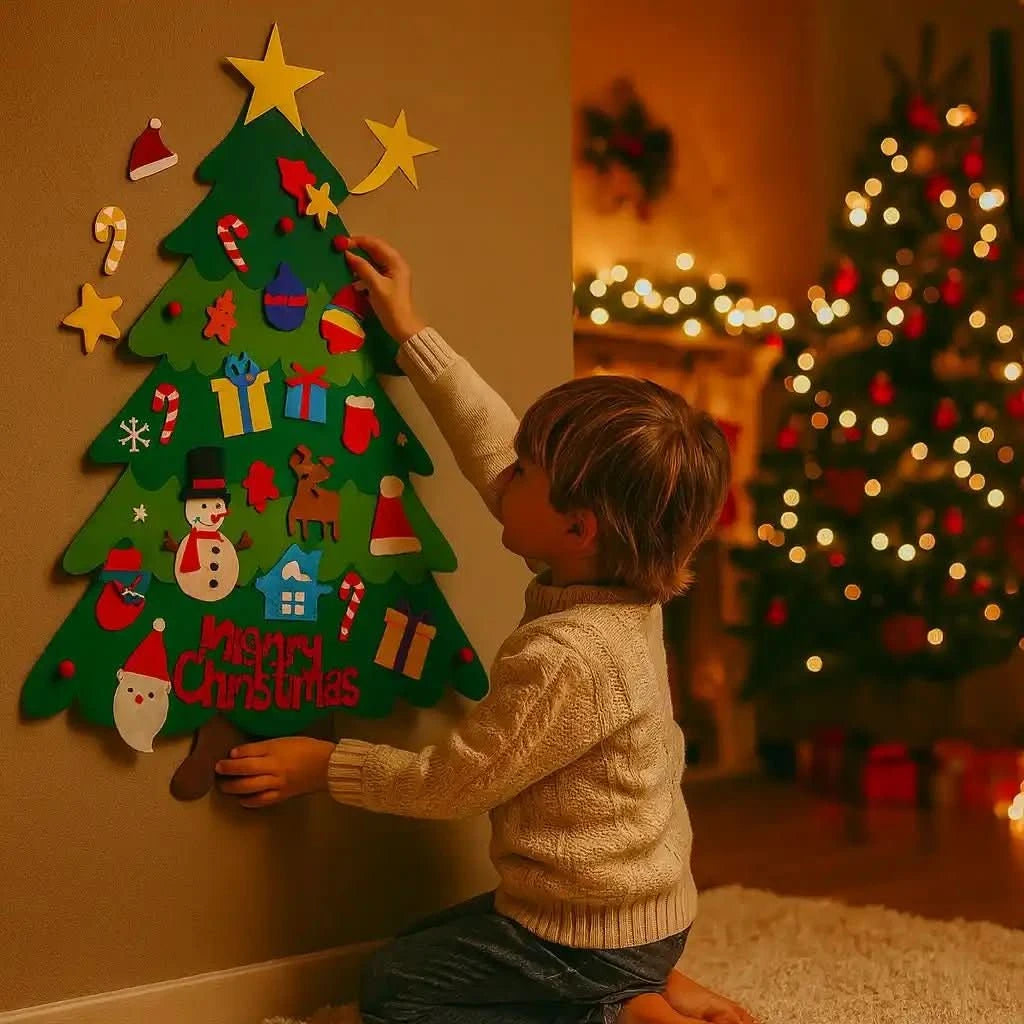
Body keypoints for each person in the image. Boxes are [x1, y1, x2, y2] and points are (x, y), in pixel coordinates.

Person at [216, 236, 756, 1024]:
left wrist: (322, 766)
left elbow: (455, 783)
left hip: (587, 934)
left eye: (527, 474)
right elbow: (489, 440)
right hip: (638, 909)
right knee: (429, 944)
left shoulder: (568, 655)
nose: (507, 477)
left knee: (394, 990)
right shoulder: (623, 586)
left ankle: (615, 1009)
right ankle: (649, 982)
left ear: (575, 528)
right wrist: (411, 331)